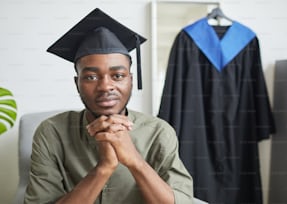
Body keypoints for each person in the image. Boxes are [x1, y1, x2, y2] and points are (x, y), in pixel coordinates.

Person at [24, 8, 193, 204]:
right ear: (76, 83)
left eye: (118, 76)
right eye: (91, 77)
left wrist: (135, 161)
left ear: (130, 80)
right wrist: (104, 168)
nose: (105, 86)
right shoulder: (52, 132)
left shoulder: (158, 132)